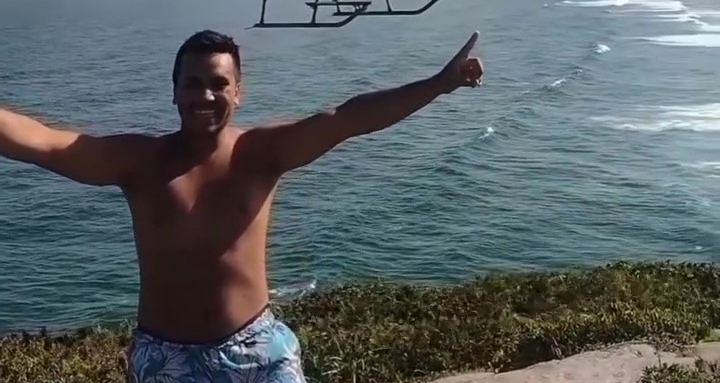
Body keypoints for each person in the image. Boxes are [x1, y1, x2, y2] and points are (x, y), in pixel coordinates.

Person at [0, 28, 484, 382]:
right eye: (192, 83)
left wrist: (439, 83)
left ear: (238, 91)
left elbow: (348, 119)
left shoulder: (260, 154)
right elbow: (44, 142)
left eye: (218, 83)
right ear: (174, 92)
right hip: (168, 359)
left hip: (258, 350)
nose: (205, 95)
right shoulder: (140, 163)